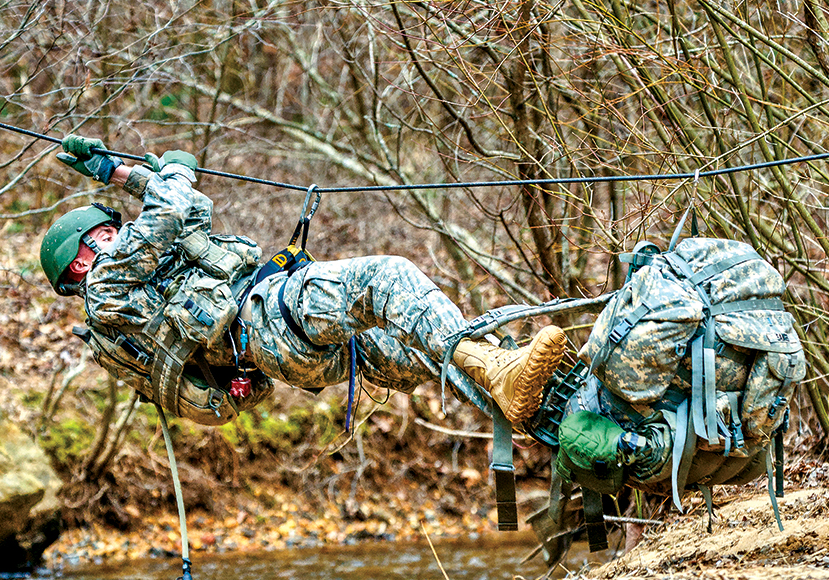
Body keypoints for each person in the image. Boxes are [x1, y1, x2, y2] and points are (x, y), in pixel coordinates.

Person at [40, 134, 567, 427]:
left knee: (419, 350)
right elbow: (176, 201)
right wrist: (154, 175)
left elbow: (192, 214)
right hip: (266, 318)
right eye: (107, 232)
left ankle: (537, 404)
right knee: (387, 278)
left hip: (281, 352)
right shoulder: (107, 285)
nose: (121, 232)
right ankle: (501, 372)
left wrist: (128, 173)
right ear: (81, 263)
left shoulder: (133, 287)